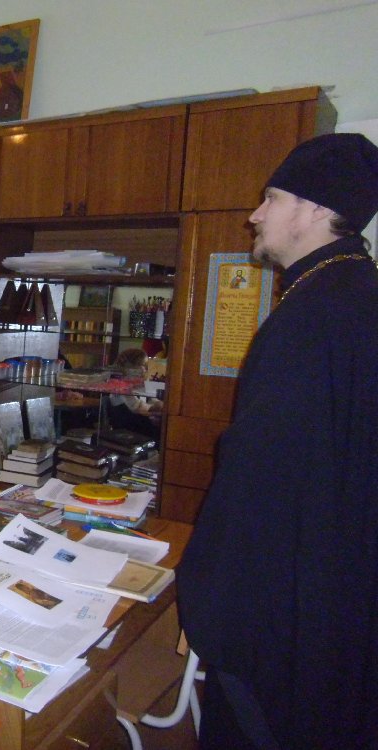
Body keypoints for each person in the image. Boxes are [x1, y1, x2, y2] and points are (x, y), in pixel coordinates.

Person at [177, 133, 378, 749]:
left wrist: (208, 597)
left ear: (316, 208)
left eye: (272, 198)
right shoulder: (354, 294)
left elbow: (258, 479)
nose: (255, 214)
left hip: (285, 608)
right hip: (342, 595)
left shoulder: (314, 315)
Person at [107, 348, 161, 442]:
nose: (145, 369)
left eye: (145, 366)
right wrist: (155, 408)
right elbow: (137, 407)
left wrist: (158, 404)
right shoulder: (120, 386)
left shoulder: (139, 384)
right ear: (130, 367)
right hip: (130, 430)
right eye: (142, 365)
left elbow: (151, 399)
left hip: (141, 426)